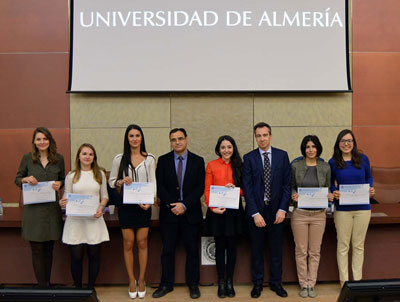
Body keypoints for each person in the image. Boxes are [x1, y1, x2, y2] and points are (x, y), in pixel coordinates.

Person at [152, 128, 205, 299]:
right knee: (167, 250)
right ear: (170, 142)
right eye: (173, 139)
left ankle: (193, 285)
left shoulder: (198, 161)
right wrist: (172, 205)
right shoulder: (163, 160)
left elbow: (200, 187)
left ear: (187, 139)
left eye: (180, 138)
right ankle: (166, 284)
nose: (177, 142)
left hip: (190, 213)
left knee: (192, 251)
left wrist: (184, 205)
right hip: (169, 214)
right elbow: (159, 186)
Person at [242, 122, 291, 299]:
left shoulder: (282, 156)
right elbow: (247, 187)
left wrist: (282, 209)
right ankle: (257, 284)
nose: (262, 139)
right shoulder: (249, 158)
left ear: (270, 136)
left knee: (276, 250)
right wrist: (255, 213)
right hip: (257, 211)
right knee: (257, 250)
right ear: (255, 137)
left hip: (276, 211)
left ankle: (276, 283)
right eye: (258, 136)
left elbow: (287, 185)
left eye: (264, 135)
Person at [109, 124, 156, 299]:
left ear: (141, 138)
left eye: (137, 135)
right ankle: (131, 280)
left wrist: (150, 201)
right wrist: (121, 181)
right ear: (127, 138)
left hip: (143, 206)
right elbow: (111, 182)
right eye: (131, 136)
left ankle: (142, 280)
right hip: (126, 206)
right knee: (128, 243)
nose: (134, 139)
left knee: (142, 242)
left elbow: (153, 181)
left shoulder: (150, 158)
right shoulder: (119, 159)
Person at [15, 127, 65, 288]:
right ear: (34, 142)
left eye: (45, 139)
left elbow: (63, 178)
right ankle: (42, 286)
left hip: (51, 210)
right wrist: (25, 180)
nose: (42, 142)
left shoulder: (58, 159)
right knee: (36, 249)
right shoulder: (27, 159)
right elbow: (17, 179)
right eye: (38, 139)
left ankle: (48, 284)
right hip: (33, 212)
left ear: (50, 141)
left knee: (49, 248)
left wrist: (60, 184)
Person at [329, 129, 375, 287]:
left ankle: (357, 282)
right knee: (343, 245)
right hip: (342, 210)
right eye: (343, 141)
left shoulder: (363, 159)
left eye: (349, 140)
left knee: (358, 245)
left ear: (354, 143)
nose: (346, 144)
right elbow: (329, 182)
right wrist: (333, 191)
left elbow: (369, 176)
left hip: (363, 208)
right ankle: (344, 282)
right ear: (338, 144)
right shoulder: (333, 162)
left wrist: (370, 187)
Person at [59, 143, 109, 289]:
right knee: (76, 256)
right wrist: (63, 202)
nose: (87, 157)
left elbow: (104, 196)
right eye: (84, 154)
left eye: (90, 154)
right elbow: (66, 196)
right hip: (75, 221)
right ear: (79, 157)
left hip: (94, 219)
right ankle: (78, 289)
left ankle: (90, 289)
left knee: (94, 255)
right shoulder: (71, 175)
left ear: (94, 158)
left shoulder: (99, 174)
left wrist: (101, 207)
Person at [290, 135, 333, 298]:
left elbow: (328, 188)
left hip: (318, 214)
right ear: (303, 149)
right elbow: (291, 187)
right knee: (301, 251)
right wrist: (294, 195)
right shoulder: (295, 165)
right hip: (300, 214)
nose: (310, 149)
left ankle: (311, 284)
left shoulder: (325, 167)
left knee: (314, 251)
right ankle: (303, 284)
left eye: (313, 146)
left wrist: (329, 196)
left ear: (318, 148)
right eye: (307, 147)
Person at [204, 135, 245, 298]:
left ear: (233, 148)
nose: (226, 150)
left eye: (229, 147)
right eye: (223, 147)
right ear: (218, 149)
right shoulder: (212, 165)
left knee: (232, 248)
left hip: (234, 212)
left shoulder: (239, 165)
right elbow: (207, 190)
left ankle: (230, 282)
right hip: (217, 212)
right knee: (219, 248)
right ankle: (221, 282)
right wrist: (213, 207)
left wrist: (235, 188)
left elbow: (245, 190)